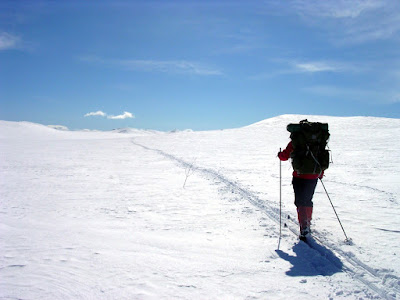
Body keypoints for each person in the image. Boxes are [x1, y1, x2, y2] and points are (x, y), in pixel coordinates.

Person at [278, 141, 324, 240]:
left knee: (300, 201)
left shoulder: (296, 140)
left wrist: (280, 155)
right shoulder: (318, 141)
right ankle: (307, 223)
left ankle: (304, 227)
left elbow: (284, 157)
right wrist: (320, 173)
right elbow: (322, 157)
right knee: (307, 200)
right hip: (314, 175)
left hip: (299, 176)